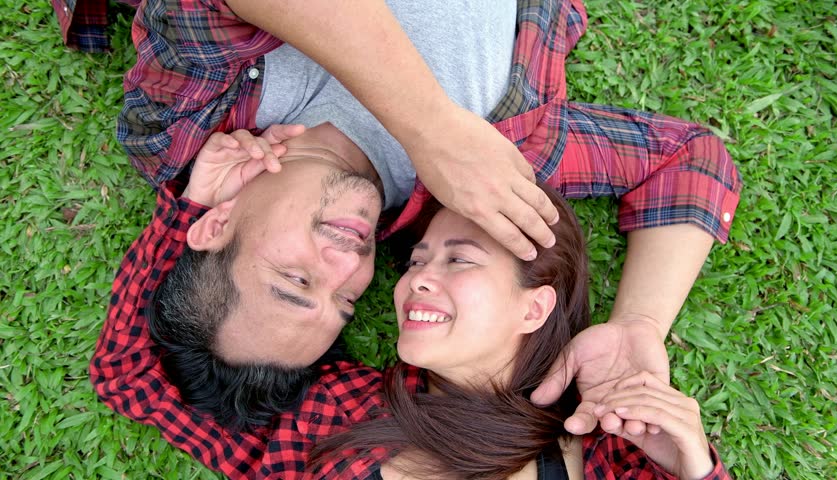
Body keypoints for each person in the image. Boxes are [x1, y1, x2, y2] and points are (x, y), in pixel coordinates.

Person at [78, 0, 741, 455]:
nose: (348, 265)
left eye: (293, 279)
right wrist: (640, 325)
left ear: (214, 225)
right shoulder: (503, 175)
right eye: (344, 301)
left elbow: (126, 375)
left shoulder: (182, 129)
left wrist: (431, 126)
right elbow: (692, 162)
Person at [302, 186, 731, 479]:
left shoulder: (610, 443)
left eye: (460, 260)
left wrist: (641, 323)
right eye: (416, 262)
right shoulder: (334, 403)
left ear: (534, 308)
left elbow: (694, 162)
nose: (418, 280)